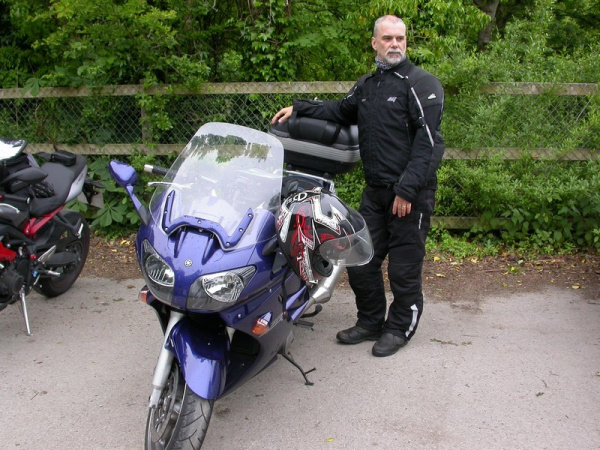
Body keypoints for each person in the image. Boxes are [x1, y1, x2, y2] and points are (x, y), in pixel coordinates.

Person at [271, 15, 445, 357]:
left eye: (400, 39)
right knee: (361, 260)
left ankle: (398, 328)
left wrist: (407, 190)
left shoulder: (422, 84)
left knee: (403, 269)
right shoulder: (368, 86)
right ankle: (369, 322)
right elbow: (340, 111)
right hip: (376, 192)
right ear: (374, 42)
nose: (395, 44)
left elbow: (430, 145)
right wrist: (299, 109)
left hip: (410, 195)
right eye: (388, 38)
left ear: (406, 42)